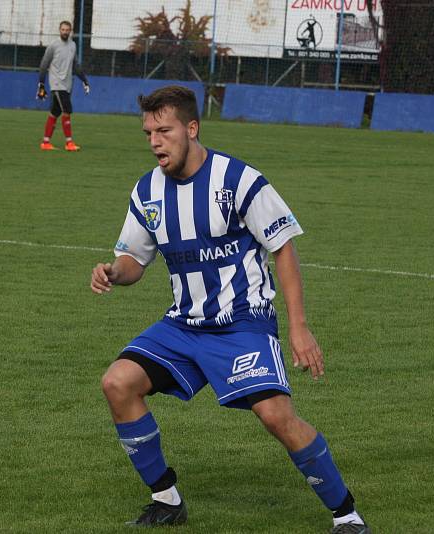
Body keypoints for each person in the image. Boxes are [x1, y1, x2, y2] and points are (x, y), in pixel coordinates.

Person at [90, 85, 370, 533]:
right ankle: (166, 500)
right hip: (183, 326)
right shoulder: (148, 191)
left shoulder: (239, 180)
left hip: (243, 325)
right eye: (148, 133)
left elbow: (283, 249)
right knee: (117, 382)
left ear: (192, 128)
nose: (155, 142)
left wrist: (298, 327)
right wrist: (112, 272)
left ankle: (347, 516)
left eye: (164, 131)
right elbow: (134, 260)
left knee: (277, 416)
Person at [36, 20, 90, 152]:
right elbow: (44, 64)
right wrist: (41, 84)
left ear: (70, 31)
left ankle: (45, 142)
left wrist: (84, 80)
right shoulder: (53, 46)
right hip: (56, 84)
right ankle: (69, 142)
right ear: (59, 30)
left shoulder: (72, 45)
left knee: (55, 112)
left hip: (67, 84)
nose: (65, 32)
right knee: (67, 110)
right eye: (63, 29)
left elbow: (75, 65)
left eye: (67, 30)